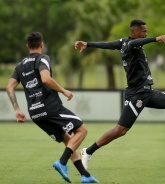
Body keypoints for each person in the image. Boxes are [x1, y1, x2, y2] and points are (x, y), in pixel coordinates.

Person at [74, 19, 165, 170]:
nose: (146, 33)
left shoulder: (123, 42)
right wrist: (155, 39)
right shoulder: (131, 44)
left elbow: (107, 45)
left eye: (147, 32)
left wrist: (88, 44)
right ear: (135, 32)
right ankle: (88, 151)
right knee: (120, 130)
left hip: (147, 91)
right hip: (136, 94)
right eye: (144, 32)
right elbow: (134, 44)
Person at [6, 32, 99, 183]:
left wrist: (16, 109)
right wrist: (63, 90)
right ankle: (62, 163)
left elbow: (9, 87)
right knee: (82, 130)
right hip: (50, 107)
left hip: (35, 113)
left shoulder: (20, 65)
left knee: (69, 140)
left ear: (27, 46)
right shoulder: (43, 58)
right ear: (42, 44)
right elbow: (46, 78)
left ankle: (85, 176)